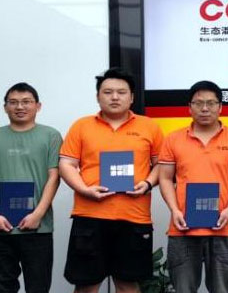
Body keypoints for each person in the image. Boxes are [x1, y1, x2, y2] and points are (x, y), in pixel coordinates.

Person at [59, 68, 163, 293]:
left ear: (132, 97)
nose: (114, 97)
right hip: (90, 216)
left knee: (128, 285)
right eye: (107, 92)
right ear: (98, 96)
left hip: (134, 217)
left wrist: (147, 184)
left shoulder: (150, 126)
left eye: (121, 92)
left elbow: (161, 165)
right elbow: (66, 164)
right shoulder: (81, 126)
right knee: (86, 285)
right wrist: (84, 189)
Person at [158, 80, 228, 293]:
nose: (205, 108)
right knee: (183, 289)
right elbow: (165, 178)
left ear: (220, 107)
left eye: (211, 103)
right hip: (183, 227)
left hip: (222, 225)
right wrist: (174, 210)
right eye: (198, 103)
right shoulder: (173, 139)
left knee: (221, 289)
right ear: (189, 107)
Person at [0, 82, 62, 293]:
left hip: (38, 228)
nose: (19, 107)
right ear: (5, 107)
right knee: (1, 287)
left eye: (26, 102)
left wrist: (38, 214)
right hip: (0, 228)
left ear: (38, 106)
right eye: (13, 102)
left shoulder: (51, 136)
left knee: (38, 288)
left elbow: (55, 177)